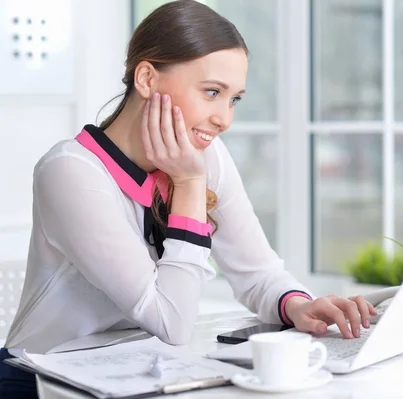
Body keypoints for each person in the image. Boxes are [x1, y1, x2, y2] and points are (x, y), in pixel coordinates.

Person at [0, 1, 377, 397]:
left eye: (233, 99)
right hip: (42, 380)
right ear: (146, 78)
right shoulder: (71, 172)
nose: (224, 118)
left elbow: (259, 273)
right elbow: (171, 321)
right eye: (212, 92)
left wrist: (298, 306)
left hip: (143, 373)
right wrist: (191, 183)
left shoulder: (206, 156)